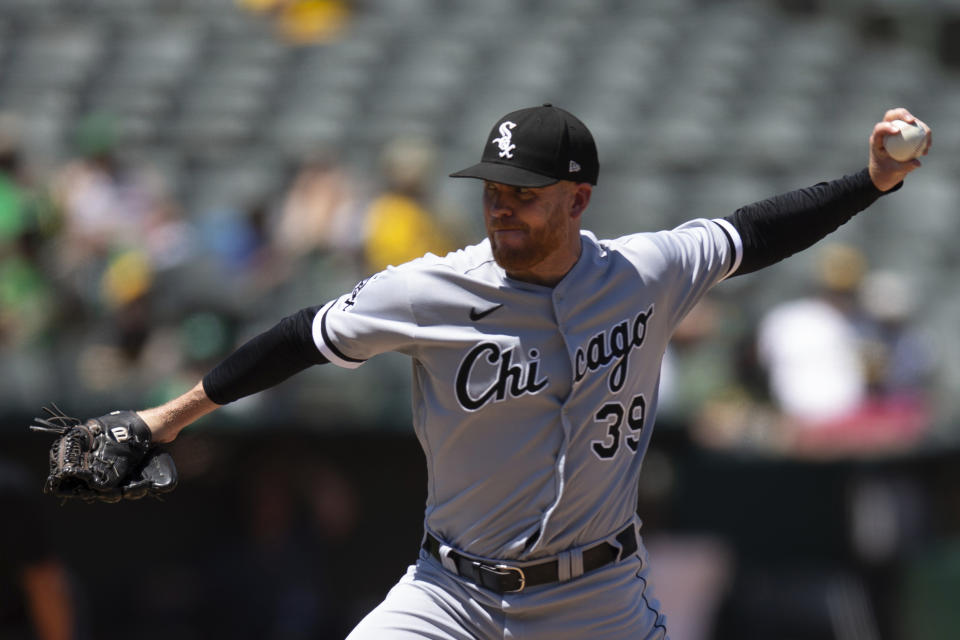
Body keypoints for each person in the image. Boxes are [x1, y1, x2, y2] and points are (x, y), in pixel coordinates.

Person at [87, 104, 930, 639]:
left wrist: (873, 181)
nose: (502, 205)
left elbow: (759, 230)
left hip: (597, 600)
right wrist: (167, 418)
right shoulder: (431, 288)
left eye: (524, 192)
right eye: (494, 188)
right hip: (449, 593)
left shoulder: (647, 271)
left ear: (578, 198)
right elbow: (300, 336)